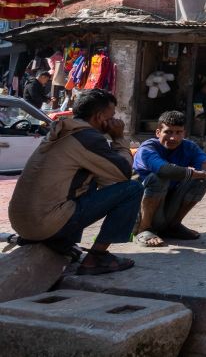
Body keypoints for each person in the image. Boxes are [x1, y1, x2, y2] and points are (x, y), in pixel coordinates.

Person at [8, 89, 143, 274]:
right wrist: (119, 138)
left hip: (23, 224)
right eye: (112, 116)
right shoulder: (88, 137)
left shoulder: (63, 130)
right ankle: (97, 257)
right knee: (132, 189)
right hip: (44, 224)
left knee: (90, 177)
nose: (115, 121)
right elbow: (123, 173)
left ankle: (62, 243)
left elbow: (106, 176)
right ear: (98, 117)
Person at [132, 111, 206, 247]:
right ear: (158, 133)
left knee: (205, 177)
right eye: (168, 132)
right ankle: (144, 229)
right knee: (159, 177)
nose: (173, 138)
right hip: (137, 212)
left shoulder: (188, 147)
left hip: (165, 207)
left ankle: (173, 226)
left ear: (184, 133)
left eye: (178, 132)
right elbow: (165, 170)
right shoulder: (147, 149)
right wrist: (201, 173)